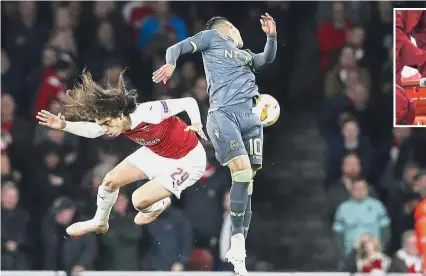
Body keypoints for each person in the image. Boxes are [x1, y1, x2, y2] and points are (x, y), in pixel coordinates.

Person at [152, 13, 277, 276]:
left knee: (248, 180)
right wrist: (171, 63)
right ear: (229, 28)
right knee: (241, 172)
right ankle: (237, 239)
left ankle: (238, 244)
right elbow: (178, 47)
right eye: (236, 29)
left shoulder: (245, 57)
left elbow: (266, 59)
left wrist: (272, 37)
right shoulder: (213, 37)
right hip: (224, 114)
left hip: (251, 119)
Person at [36, 71, 207, 238]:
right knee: (110, 181)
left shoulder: (148, 112)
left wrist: (197, 123)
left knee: (138, 201)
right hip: (158, 151)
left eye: (108, 124)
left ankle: (158, 206)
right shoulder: (115, 120)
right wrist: (64, 125)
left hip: (188, 159)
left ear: (120, 114)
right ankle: (100, 221)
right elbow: (93, 131)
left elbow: (188, 102)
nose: (106, 129)